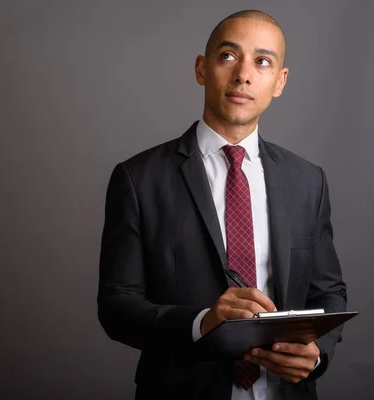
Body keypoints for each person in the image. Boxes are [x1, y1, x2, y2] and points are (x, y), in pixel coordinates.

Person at [97, 9, 347, 400]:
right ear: (201, 69)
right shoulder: (138, 178)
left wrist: (317, 358)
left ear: (280, 81)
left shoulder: (308, 180)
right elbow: (117, 306)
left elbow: (329, 292)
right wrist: (203, 322)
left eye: (262, 62)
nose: (243, 75)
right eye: (228, 56)